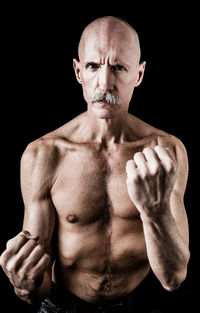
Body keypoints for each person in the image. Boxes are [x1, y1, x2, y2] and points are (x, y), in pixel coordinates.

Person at [0, 16, 190, 313]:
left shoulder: (164, 151)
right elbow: (38, 285)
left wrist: (154, 211)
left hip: (142, 303)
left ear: (139, 74)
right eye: (93, 66)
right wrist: (25, 285)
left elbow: (174, 275)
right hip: (64, 306)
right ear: (78, 71)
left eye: (118, 68)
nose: (104, 82)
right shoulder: (44, 155)